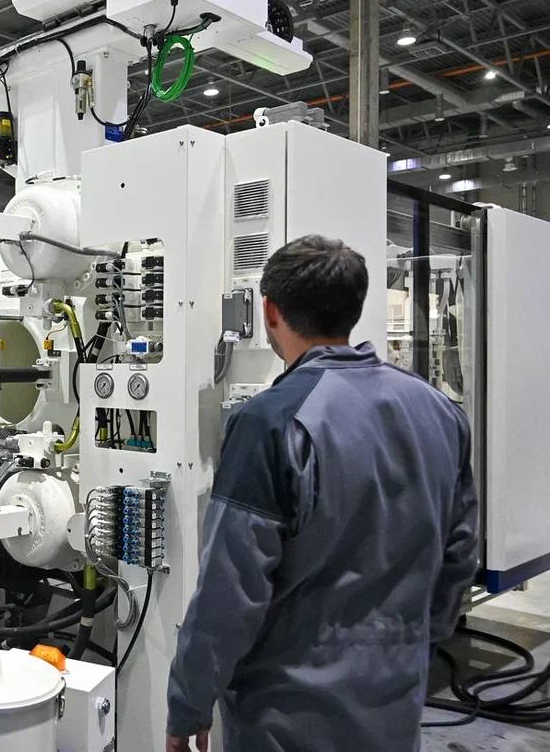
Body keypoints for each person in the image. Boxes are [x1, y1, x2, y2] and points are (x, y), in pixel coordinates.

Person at [165, 235, 478, 752]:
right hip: (394, 702)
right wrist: (410, 642)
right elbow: (460, 554)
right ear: (354, 307)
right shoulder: (440, 411)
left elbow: (228, 591)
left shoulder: (270, 423)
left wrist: (188, 702)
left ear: (270, 311)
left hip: (286, 714)